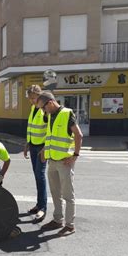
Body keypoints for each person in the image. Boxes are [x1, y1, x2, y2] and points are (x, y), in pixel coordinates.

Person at [37, 91, 83, 236]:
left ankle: (69, 225)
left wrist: (75, 155)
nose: (43, 111)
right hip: (52, 161)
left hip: (64, 162)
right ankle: (58, 220)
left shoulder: (66, 114)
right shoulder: (50, 116)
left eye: (43, 107)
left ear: (50, 103)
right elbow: (52, 137)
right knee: (55, 193)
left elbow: (78, 135)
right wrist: (44, 150)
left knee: (68, 195)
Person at [24, 85, 48, 222]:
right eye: (30, 98)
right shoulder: (33, 109)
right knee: (37, 176)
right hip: (33, 145)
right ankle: (39, 204)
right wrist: (27, 143)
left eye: (33, 98)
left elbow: (49, 129)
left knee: (40, 176)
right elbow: (30, 127)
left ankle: (43, 208)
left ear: (39, 96)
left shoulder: (44, 110)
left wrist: (45, 147)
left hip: (41, 148)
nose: (31, 101)